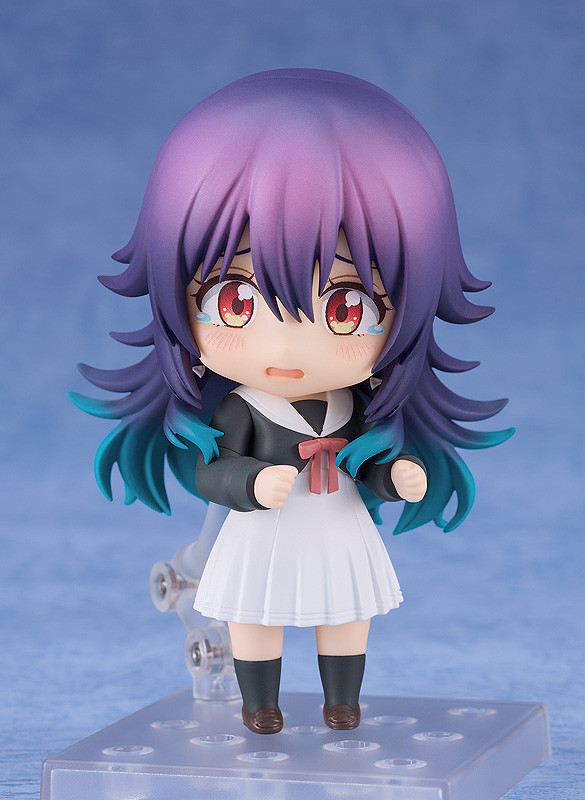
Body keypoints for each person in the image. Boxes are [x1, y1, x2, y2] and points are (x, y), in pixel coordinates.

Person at [71, 69, 513, 734]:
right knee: (255, 616)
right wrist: (250, 483)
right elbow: (212, 471)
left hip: (337, 528)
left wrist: (394, 476)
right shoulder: (242, 411)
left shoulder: (353, 409)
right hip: (262, 531)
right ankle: (260, 706)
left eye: (345, 307)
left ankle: (342, 701)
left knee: (348, 612)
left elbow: (365, 461)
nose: (285, 345)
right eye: (236, 301)